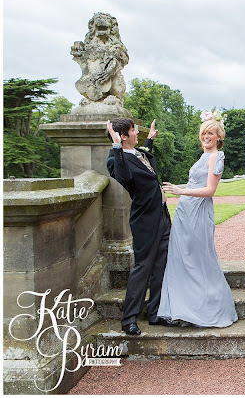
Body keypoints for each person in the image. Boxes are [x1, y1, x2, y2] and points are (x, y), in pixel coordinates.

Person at [157, 116, 238, 328]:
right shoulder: (203, 157)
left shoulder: (216, 157)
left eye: (210, 133)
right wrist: (181, 190)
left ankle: (206, 308)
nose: (206, 136)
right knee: (182, 258)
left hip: (198, 212)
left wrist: (181, 191)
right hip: (185, 211)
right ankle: (185, 308)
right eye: (203, 132)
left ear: (219, 137)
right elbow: (197, 181)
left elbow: (210, 190)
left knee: (198, 258)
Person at [106, 118, 180, 335]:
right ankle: (129, 319)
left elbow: (143, 157)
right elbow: (124, 176)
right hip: (144, 220)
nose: (137, 132)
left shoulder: (138, 152)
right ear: (123, 137)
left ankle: (155, 313)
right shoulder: (115, 158)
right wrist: (116, 146)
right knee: (143, 267)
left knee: (161, 266)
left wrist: (149, 140)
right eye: (133, 130)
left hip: (162, 215)